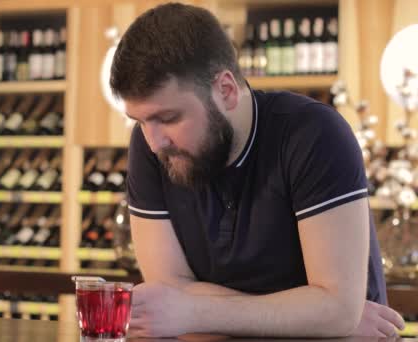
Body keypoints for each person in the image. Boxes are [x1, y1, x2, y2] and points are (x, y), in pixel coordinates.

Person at [109, 2, 406, 339]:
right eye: (141, 121)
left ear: (226, 90)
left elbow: (335, 310)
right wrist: (311, 322)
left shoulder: (314, 135)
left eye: (169, 118)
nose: (154, 142)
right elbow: (170, 299)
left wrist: (194, 311)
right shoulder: (152, 147)